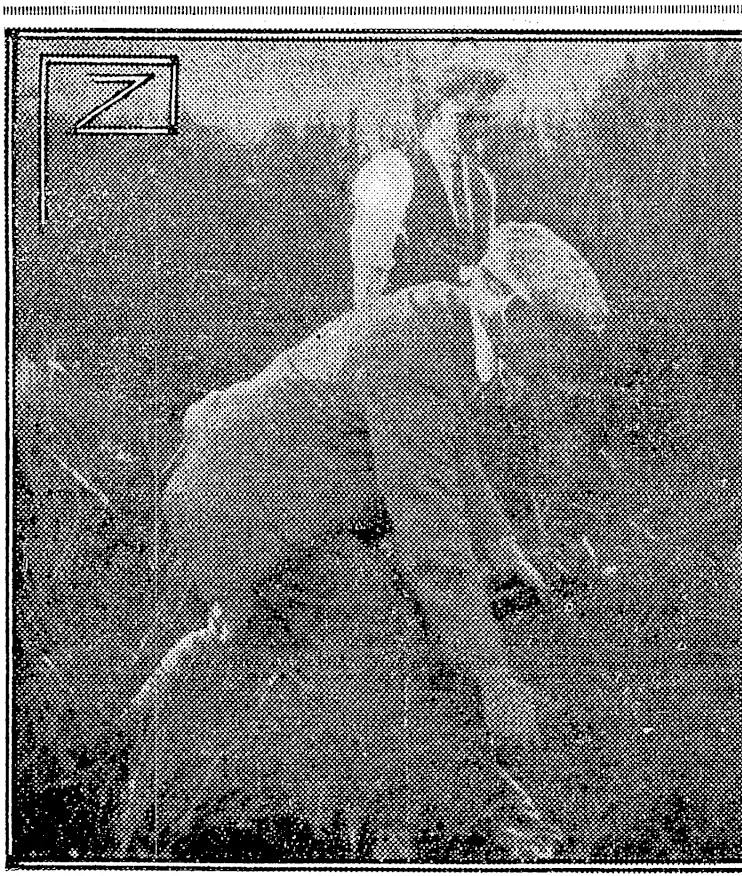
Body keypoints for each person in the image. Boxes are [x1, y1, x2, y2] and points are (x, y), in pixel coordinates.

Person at [114, 222, 608, 862]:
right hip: (265, 760)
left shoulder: (498, 428)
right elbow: (198, 596)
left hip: (434, 762)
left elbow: (530, 585)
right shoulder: (274, 408)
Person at [351, 63, 504, 308]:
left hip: (460, 327)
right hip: (403, 324)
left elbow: (484, 263)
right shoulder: (393, 170)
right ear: (435, 116)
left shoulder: (481, 182)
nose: (476, 130)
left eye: (483, 120)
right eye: (465, 118)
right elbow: (370, 266)